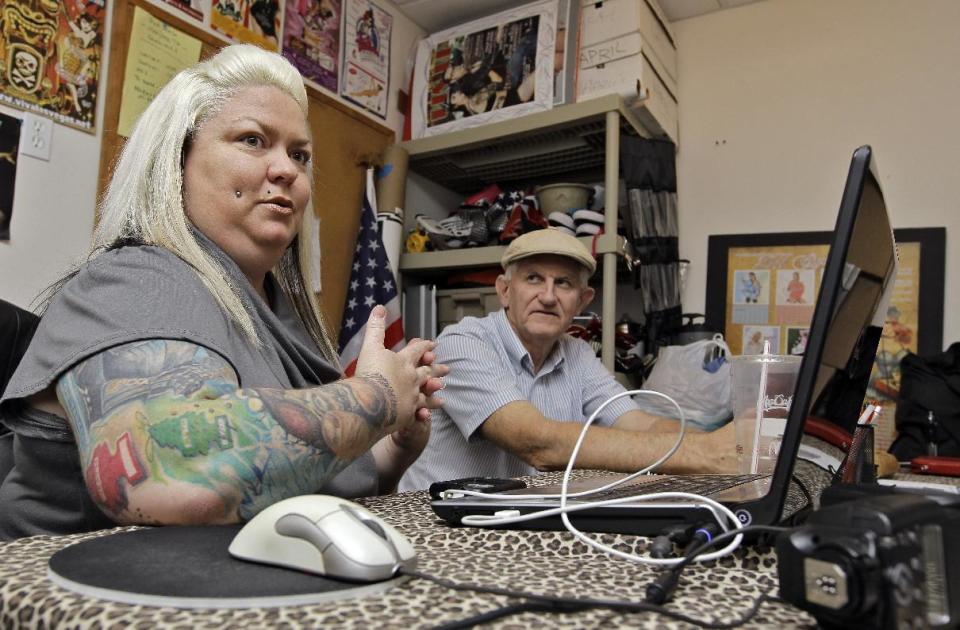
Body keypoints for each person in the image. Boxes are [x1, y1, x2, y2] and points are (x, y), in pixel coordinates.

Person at [0, 44, 446, 540]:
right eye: (253, 140)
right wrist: (377, 397)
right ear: (177, 161)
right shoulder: (136, 280)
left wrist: (391, 445)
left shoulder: (278, 313)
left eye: (299, 154)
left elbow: (301, 481)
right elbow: (170, 477)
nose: (287, 170)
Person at [399, 229, 735, 491]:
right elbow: (536, 442)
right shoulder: (463, 342)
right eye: (533, 278)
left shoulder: (577, 353)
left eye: (563, 283)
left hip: (518, 523)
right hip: (439, 531)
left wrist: (724, 446)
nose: (547, 296)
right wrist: (701, 455)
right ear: (504, 290)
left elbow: (637, 422)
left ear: (582, 301)